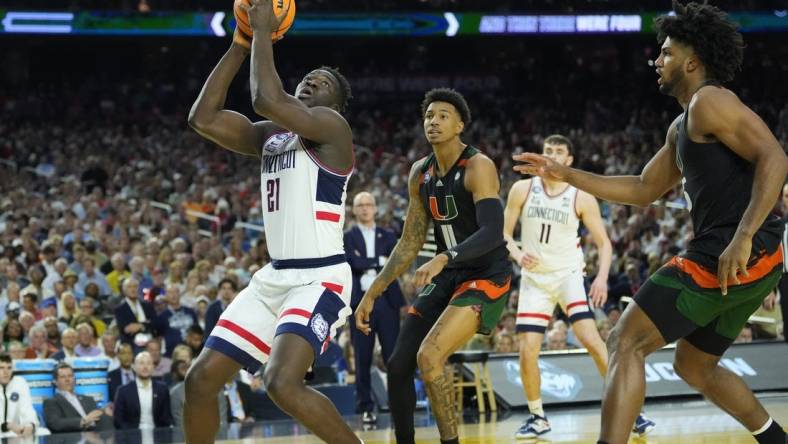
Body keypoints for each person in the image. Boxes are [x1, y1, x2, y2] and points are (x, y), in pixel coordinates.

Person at [513, 2, 787, 443]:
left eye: (665, 53)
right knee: (692, 365)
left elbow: (775, 156)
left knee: (625, 340)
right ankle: (775, 438)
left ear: (692, 61)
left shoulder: (710, 101)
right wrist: (566, 174)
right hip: (749, 259)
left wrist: (744, 235)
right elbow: (643, 187)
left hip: (737, 249)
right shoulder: (683, 125)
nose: (655, 61)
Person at [183, 1, 359, 442]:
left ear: (334, 105)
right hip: (274, 278)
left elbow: (265, 97)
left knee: (281, 382)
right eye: (305, 80)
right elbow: (201, 118)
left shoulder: (332, 130)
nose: (307, 85)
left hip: (321, 278)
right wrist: (240, 44)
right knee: (200, 381)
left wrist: (262, 30)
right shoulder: (271, 137)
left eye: (318, 85)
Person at [356, 88, 512, 444]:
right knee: (397, 365)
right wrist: (373, 293)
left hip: (486, 274)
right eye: (429, 115)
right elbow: (410, 242)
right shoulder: (419, 174)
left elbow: (492, 232)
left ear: (459, 125)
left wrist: (446, 256)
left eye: (443, 115)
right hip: (449, 274)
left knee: (429, 357)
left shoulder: (478, 166)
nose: (434, 121)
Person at [504, 134, 654, 438]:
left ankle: (632, 413)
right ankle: (538, 418)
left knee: (591, 339)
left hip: (568, 275)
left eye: (558, 152)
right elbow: (503, 234)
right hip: (535, 278)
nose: (552, 155)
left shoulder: (580, 195)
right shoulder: (522, 188)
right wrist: (519, 254)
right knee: (526, 349)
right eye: (548, 150)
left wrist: (600, 278)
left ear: (569, 160)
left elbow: (604, 243)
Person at [343, 191, 405, 424]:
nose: (365, 209)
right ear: (355, 210)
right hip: (360, 303)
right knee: (362, 357)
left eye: (369, 204)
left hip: (386, 301)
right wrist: (378, 262)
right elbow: (351, 262)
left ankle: (399, 405)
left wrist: (368, 262)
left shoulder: (387, 235)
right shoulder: (347, 237)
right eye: (361, 205)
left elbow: (395, 262)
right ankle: (366, 408)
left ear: (376, 209)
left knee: (393, 356)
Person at [43, 362, 114, 432]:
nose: (67, 379)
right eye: (62, 377)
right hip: (74, 436)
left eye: (70, 376)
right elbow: (55, 423)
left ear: (74, 379)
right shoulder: (51, 402)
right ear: (55, 382)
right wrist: (83, 421)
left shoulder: (88, 399)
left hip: (95, 435)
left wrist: (103, 412)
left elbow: (96, 417)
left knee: (106, 418)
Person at [113, 351, 172, 430]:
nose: (145, 367)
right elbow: (118, 421)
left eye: (148, 363)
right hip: (131, 437)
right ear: (133, 366)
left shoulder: (162, 389)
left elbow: (167, 418)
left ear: (153, 367)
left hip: (158, 436)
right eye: (141, 363)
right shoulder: (123, 391)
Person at [0, 353, 38, 437]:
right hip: (5, 431)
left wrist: (31, 425)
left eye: (9, 368)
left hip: (14, 433)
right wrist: (6, 425)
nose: (6, 372)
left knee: (44, 432)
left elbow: (27, 409)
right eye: (1, 368)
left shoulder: (20, 383)